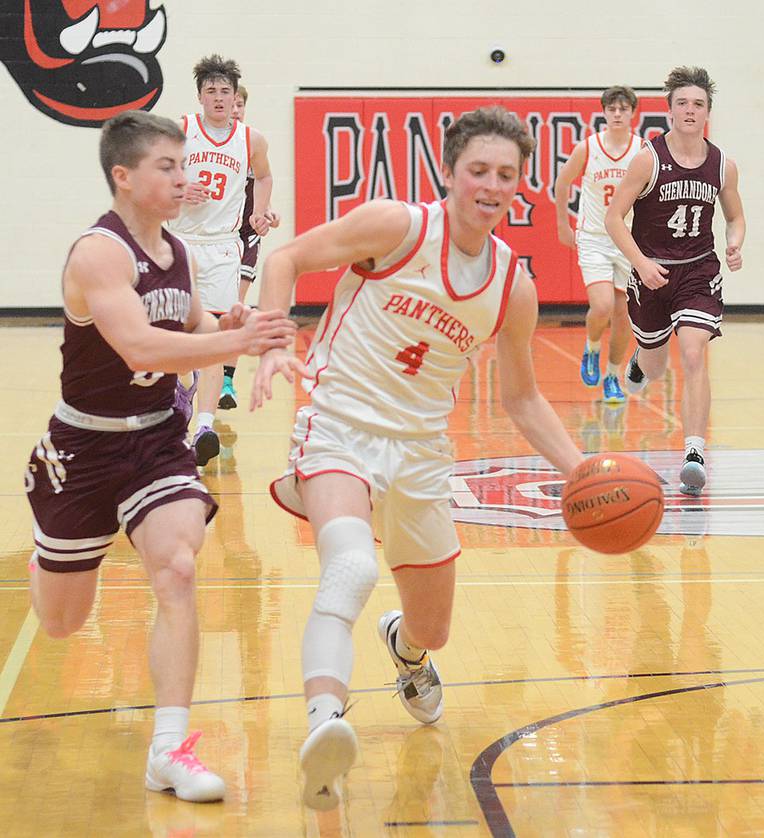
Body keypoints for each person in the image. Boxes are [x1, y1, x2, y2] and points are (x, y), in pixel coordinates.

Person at [250, 106, 585, 809]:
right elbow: (285, 258)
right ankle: (325, 724)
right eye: (479, 172)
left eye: (507, 175)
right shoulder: (396, 227)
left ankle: (405, 650)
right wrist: (276, 336)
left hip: (422, 453)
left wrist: (579, 468)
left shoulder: (511, 284)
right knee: (349, 565)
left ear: (520, 185)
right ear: (450, 173)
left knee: (434, 626)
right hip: (339, 425)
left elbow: (521, 399)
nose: (491, 186)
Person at [23, 110, 295, 802]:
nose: (186, 176)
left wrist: (233, 323)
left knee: (177, 569)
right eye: (168, 167)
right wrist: (237, 347)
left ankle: (169, 748)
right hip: (83, 446)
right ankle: (47, 560)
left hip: (152, 441)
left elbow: (191, 322)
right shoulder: (99, 253)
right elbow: (142, 346)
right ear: (124, 176)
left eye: (185, 164)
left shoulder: (174, 249)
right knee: (61, 622)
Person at [605, 66, 745, 495]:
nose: (690, 110)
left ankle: (694, 453)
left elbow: (736, 216)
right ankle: (640, 358)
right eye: (682, 103)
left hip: (699, 271)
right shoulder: (647, 159)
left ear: (708, 113)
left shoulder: (723, 164)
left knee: (693, 353)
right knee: (655, 363)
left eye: (698, 104)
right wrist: (640, 264)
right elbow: (614, 219)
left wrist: (735, 242)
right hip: (652, 271)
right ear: (668, 111)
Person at [170, 55, 278, 463]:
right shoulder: (181, 130)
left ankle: (204, 428)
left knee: (212, 339)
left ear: (235, 97)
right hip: (179, 241)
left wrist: (259, 210)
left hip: (222, 247)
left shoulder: (252, 139)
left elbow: (264, 176)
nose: (218, 97)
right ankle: (183, 390)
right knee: (179, 338)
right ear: (200, 96)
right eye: (211, 91)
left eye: (225, 91)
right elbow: (156, 171)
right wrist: (180, 187)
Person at [554, 86, 643, 403]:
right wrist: (564, 223)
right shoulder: (588, 148)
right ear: (604, 113)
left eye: (623, 109)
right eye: (612, 109)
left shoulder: (642, 150)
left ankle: (612, 376)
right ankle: (591, 347)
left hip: (628, 241)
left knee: (623, 316)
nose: (617, 114)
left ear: (633, 113)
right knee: (602, 305)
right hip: (593, 237)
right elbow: (562, 183)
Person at [216, 83, 282, 411]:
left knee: (234, 307)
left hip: (243, 238)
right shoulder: (209, 145)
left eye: (240, 103)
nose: (236, 109)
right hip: (210, 238)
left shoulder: (250, 145)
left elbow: (263, 194)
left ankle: (226, 380)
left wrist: (267, 214)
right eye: (232, 103)